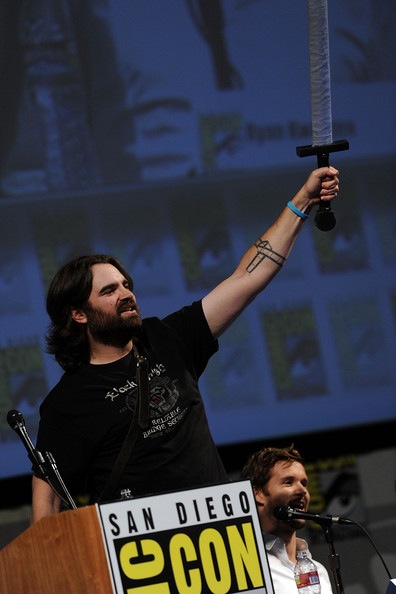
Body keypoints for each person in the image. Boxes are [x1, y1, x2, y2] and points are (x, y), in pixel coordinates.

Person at [31, 166, 340, 524]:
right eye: (109, 290)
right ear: (79, 314)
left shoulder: (167, 338)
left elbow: (248, 276)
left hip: (222, 534)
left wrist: (303, 199)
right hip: (143, 554)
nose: (126, 294)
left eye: (126, 284)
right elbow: (47, 504)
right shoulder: (67, 403)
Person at [241, 445, 334, 593]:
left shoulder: (319, 571)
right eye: (288, 482)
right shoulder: (246, 570)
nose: (302, 490)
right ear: (257, 493)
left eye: (304, 483)